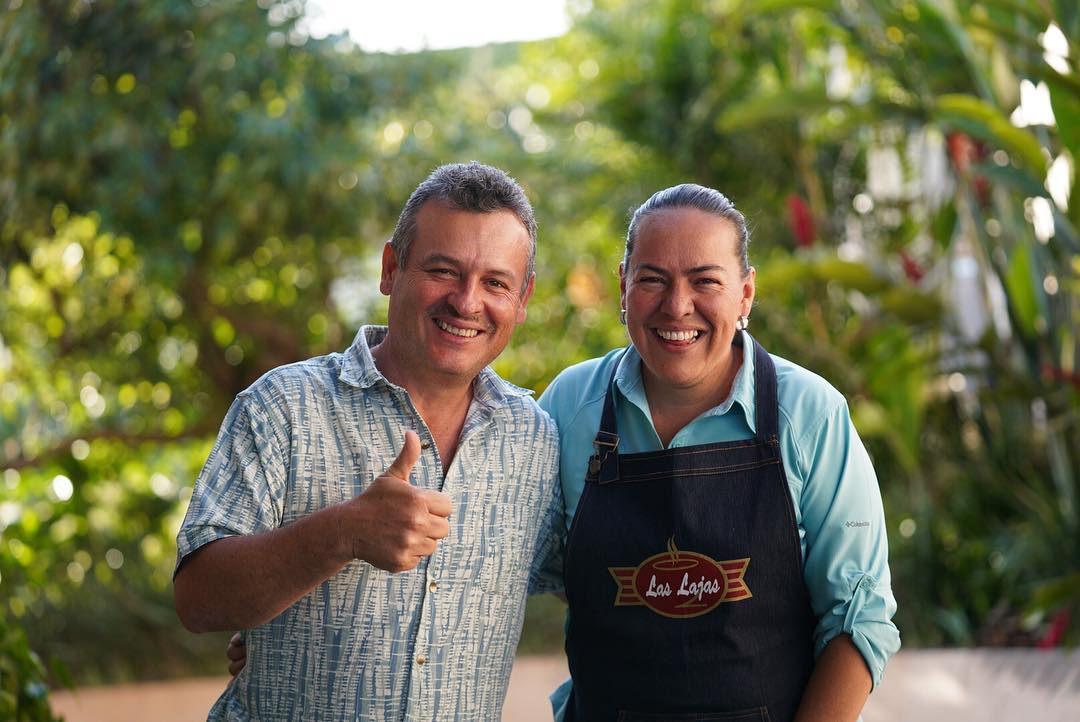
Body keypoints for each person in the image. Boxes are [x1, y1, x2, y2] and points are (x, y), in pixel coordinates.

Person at [173, 162, 564, 720]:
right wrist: (342, 532)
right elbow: (197, 600)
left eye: (495, 282)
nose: (467, 301)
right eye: (443, 270)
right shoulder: (285, 405)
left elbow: (602, 583)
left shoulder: (536, 440)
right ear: (391, 268)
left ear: (522, 299)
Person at [537, 184, 900, 721]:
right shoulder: (571, 409)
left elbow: (857, 618)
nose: (677, 305)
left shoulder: (809, 414)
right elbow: (527, 565)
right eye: (652, 279)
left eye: (705, 280)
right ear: (623, 286)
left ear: (745, 294)